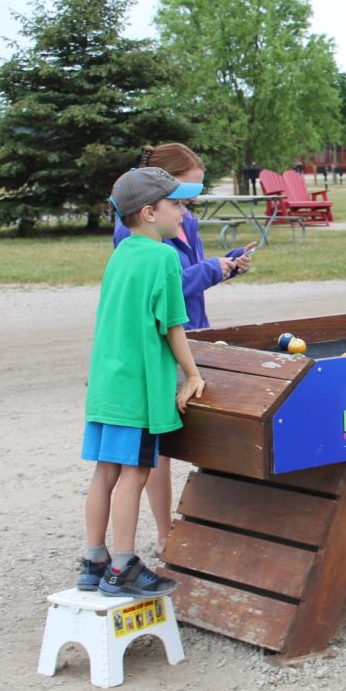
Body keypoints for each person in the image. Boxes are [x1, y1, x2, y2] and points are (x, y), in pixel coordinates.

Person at [114, 143, 254, 555]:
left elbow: (188, 278)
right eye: (189, 189)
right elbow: (165, 290)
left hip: (196, 334)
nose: (191, 203)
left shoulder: (183, 220)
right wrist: (213, 268)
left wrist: (224, 268)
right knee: (161, 447)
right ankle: (164, 532)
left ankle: (213, 522)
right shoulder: (134, 230)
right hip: (162, 342)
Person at [79, 167, 207, 597]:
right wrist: (192, 374)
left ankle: (94, 560)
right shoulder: (163, 257)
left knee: (105, 473)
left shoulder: (122, 253)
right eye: (177, 204)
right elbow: (172, 325)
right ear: (150, 212)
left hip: (107, 387)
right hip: (138, 392)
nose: (184, 212)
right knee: (135, 473)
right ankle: (123, 567)